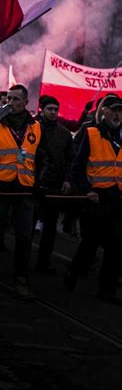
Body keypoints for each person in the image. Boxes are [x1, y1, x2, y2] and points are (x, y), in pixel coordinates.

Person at [0, 84, 49, 299]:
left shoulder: (36, 127)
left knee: (24, 238)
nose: (11, 103)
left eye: (16, 99)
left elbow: (43, 158)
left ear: (26, 103)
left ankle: (21, 280)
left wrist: (40, 182)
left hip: (25, 189)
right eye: (8, 98)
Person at [64, 95, 122, 303]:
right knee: (90, 244)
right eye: (114, 110)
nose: (117, 115)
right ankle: (73, 273)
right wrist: (87, 190)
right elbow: (78, 166)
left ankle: (107, 290)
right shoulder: (92, 133)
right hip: (97, 198)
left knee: (116, 246)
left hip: (118, 199)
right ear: (104, 111)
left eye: (121, 112)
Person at [34, 95, 73, 273]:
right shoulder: (33, 128)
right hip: (34, 183)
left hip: (54, 185)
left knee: (50, 229)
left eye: (56, 109)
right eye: (50, 109)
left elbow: (70, 159)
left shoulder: (64, 133)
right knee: (28, 225)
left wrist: (67, 179)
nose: (53, 112)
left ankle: (43, 262)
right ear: (42, 109)